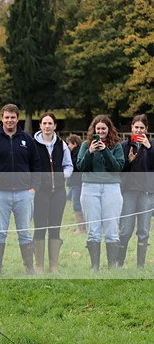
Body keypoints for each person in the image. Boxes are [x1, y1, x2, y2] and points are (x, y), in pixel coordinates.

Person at [0, 104, 41, 275]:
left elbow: (36, 165)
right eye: (6, 117)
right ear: (1, 118)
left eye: (13, 117)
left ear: (17, 118)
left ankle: (29, 267)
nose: (9, 120)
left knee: (25, 232)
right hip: (0, 194)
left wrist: (33, 188)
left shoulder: (27, 139)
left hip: (24, 193)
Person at [77, 115, 124, 270]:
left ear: (109, 129)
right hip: (90, 188)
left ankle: (112, 266)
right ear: (94, 130)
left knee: (111, 228)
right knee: (93, 229)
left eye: (104, 128)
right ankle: (95, 266)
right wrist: (90, 152)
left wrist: (105, 151)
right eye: (98, 129)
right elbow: (81, 167)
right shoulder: (85, 145)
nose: (101, 131)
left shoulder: (116, 146)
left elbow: (117, 167)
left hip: (111, 188)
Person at [32, 113, 73, 273]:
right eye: (44, 123)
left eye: (50, 123)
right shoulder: (33, 144)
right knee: (40, 226)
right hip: (40, 192)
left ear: (55, 126)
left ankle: (54, 265)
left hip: (59, 192)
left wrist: (61, 175)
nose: (47, 126)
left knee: (55, 227)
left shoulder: (61, 144)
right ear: (40, 126)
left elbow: (68, 165)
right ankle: (39, 265)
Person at [118, 114, 153, 268]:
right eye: (136, 127)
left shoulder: (151, 145)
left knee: (144, 231)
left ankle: (140, 266)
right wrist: (128, 162)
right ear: (131, 127)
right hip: (128, 192)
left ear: (146, 129)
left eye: (141, 128)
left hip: (146, 193)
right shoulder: (124, 146)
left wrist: (149, 148)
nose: (138, 130)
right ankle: (119, 263)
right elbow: (119, 169)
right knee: (125, 230)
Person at [65, 135, 86, 233]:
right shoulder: (73, 153)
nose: (68, 146)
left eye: (69, 144)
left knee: (77, 205)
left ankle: (81, 228)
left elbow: (74, 166)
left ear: (74, 144)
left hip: (77, 183)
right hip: (74, 182)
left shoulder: (77, 154)